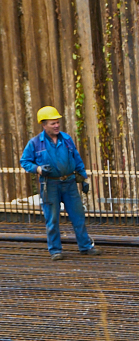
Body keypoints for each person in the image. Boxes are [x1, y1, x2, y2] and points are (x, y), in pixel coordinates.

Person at [20, 107, 97, 262]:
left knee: (78, 216)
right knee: (52, 218)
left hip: (69, 183)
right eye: (52, 123)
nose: (56, 126)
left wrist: (83, 178)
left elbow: (76, 158)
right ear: (43, 124)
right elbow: (25, 161)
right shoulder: (35, 143)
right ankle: (55, 250)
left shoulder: (66, 139)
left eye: (57, 122)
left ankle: (85, 246)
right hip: (50, 185)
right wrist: (39, 169)